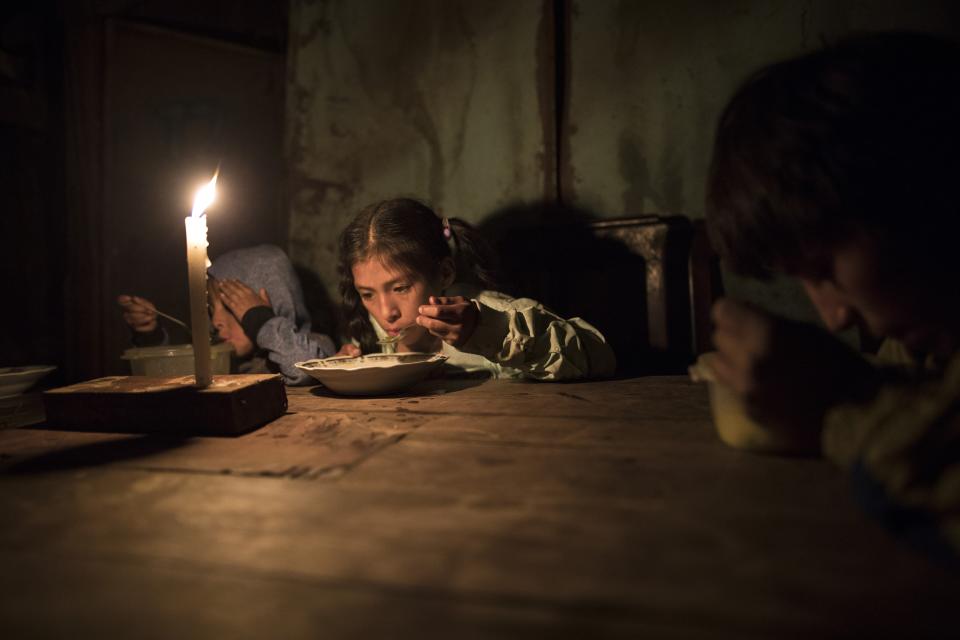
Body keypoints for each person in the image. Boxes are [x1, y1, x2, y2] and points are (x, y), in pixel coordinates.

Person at [704, 32, 960, 564]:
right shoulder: (928, 344)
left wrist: (838, 402)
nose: (836, 317)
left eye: (824, 269)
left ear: (922, 194)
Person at [336, 198, 616, 380]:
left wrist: (487, 331)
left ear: (444, 273)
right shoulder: (372, 329)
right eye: (368, 294)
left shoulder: (491, 314)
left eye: (400, 288)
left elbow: (600, 357)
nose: (386, 313)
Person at [118, 244, 336, 385]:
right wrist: (150, 336)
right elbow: (169, 377)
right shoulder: (219, 360)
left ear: (274, 304)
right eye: (212, 309)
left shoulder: (315, 346)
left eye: (232, 307)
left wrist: (261, 322)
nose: (215, 321)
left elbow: (307, 368)